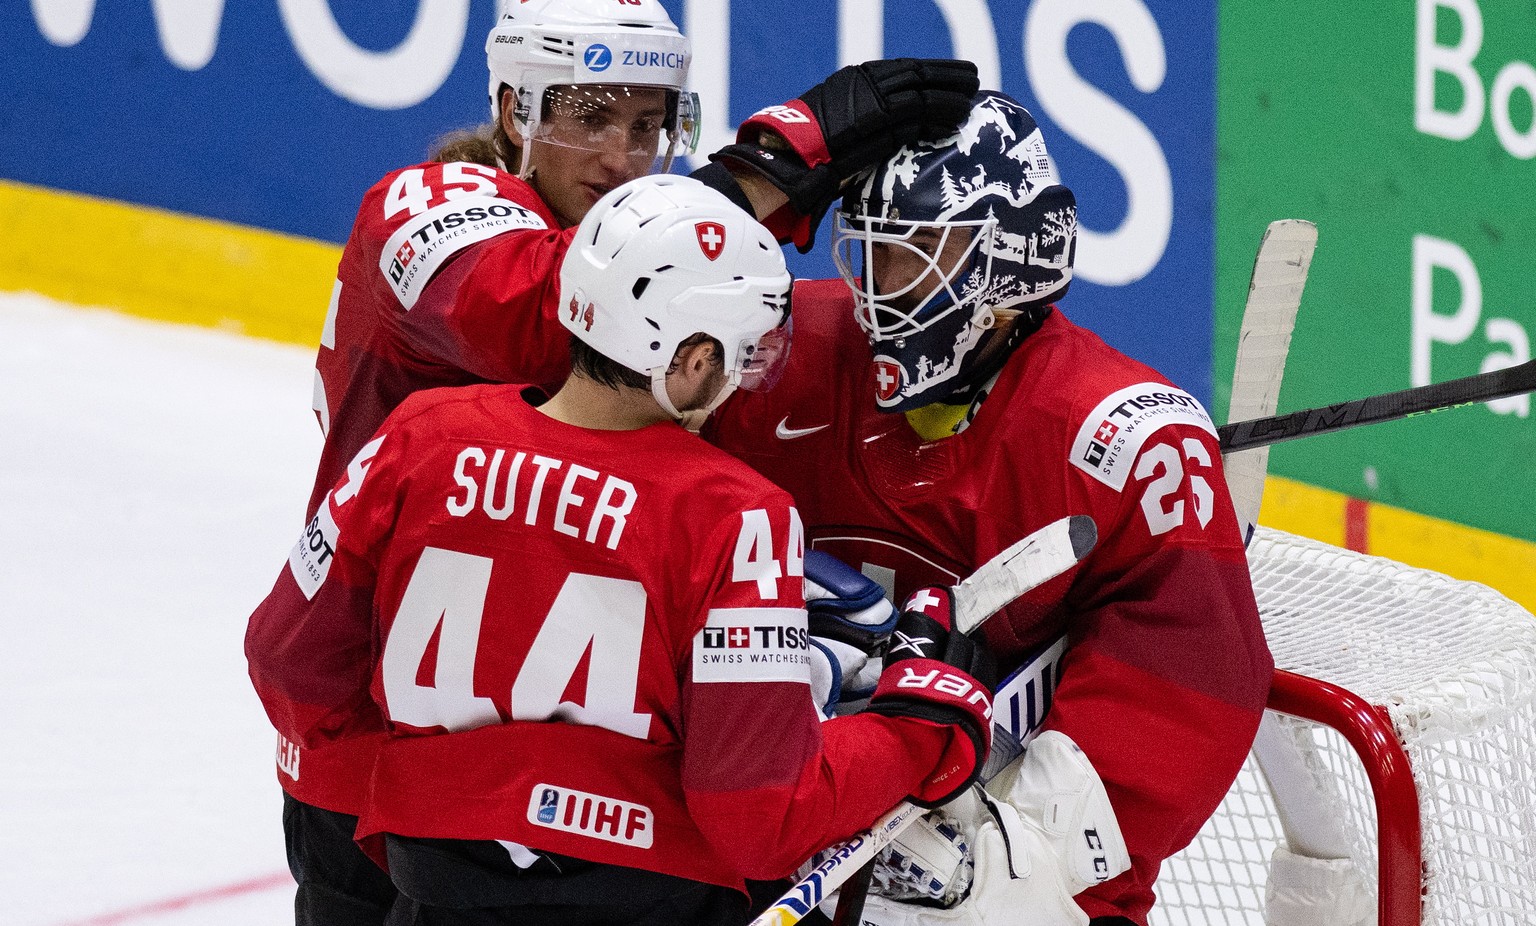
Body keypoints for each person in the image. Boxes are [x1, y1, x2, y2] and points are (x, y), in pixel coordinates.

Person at [271, 0, 980, 916]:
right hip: (392, 744)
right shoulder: (425, 208)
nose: (623, 157)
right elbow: (542, 313)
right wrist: (771, 169)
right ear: (513, 109)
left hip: (505, 770)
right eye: (590, 116)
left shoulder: (549, 361)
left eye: (649, 124)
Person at [704, 91, 1274, 926]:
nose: (875, 293)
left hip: (1007, 875)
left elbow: (1194, 691)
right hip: (786, 820)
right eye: (868, 256)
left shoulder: (1121, 440)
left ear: (1006, 268)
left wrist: (1003, 847)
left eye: (912, 258)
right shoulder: (786, 349)